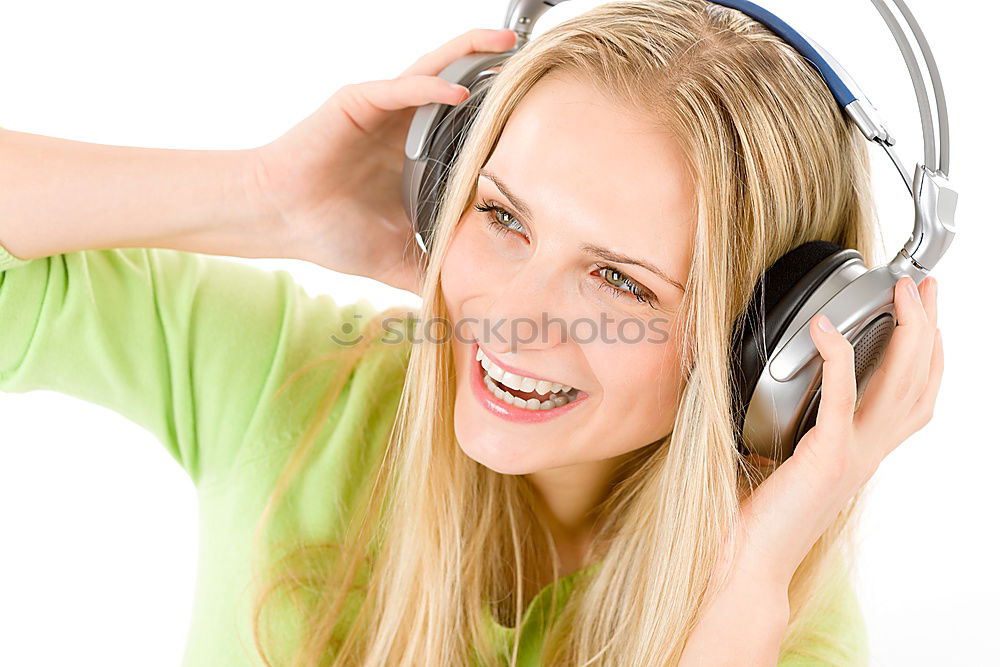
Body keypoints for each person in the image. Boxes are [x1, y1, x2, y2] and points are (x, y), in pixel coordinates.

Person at [0, 1, 944, 665]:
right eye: (500, 215)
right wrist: (266, 201)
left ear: (763, 353)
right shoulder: (286, 383)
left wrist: (745, 583)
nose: (508, 312)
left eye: (619, 279)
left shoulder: (769, 618)